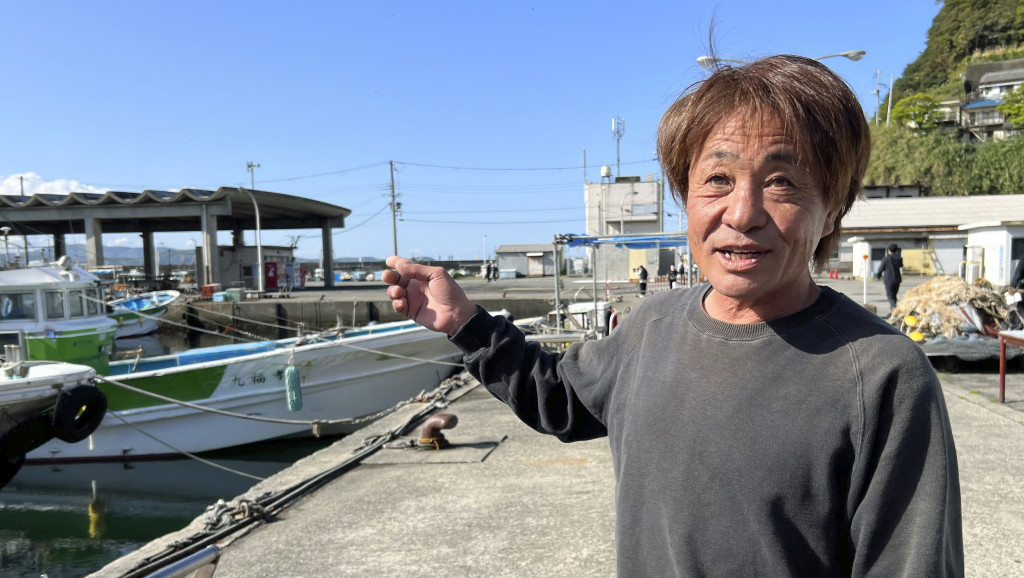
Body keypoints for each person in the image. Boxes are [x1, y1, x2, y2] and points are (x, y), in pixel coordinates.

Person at [383, 55, 962, 576]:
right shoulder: (650, 326)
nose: (742, 212)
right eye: (718, 179)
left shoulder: (882, 376)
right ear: (686, 198)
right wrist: (467, 324)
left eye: (782, 182)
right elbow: (559, 398)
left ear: (833, 208)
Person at [875, 243, 903, 308]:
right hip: (897, 279)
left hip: (888, 279)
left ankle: (894, 308)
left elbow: (881, 268)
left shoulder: (886, 259)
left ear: (889, 250)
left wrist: (878, 276)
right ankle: (893, 310)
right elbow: (900, 265)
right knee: (894, 295)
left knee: (890, 296)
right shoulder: (899, 258)